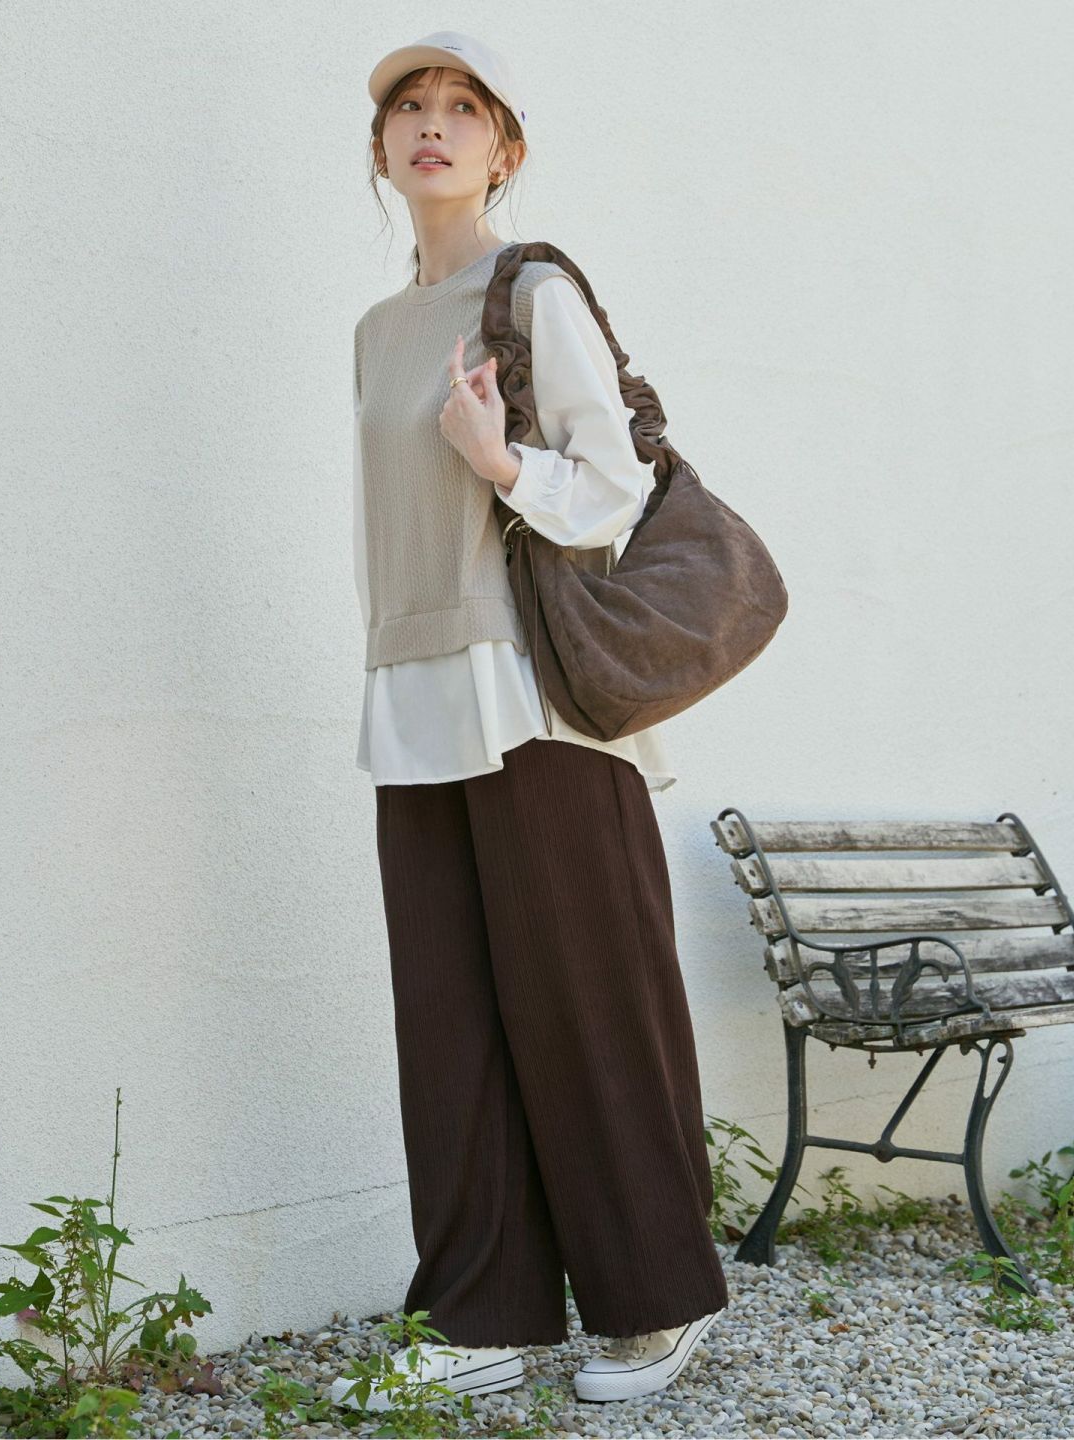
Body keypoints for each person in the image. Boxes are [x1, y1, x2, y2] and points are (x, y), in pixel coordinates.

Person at [332, 31, 729, 1413]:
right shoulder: (379, 330)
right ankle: (481, 1316)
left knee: (589, 1004)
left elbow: (613, 485)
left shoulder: (532, 289)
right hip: (415, 691)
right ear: (382, 150)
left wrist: (500, 461)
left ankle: (655, 1298)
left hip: (533, 698)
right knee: (447, 1020)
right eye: (409, 108)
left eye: (463, 108)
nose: (431, 126)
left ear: (505, 149)